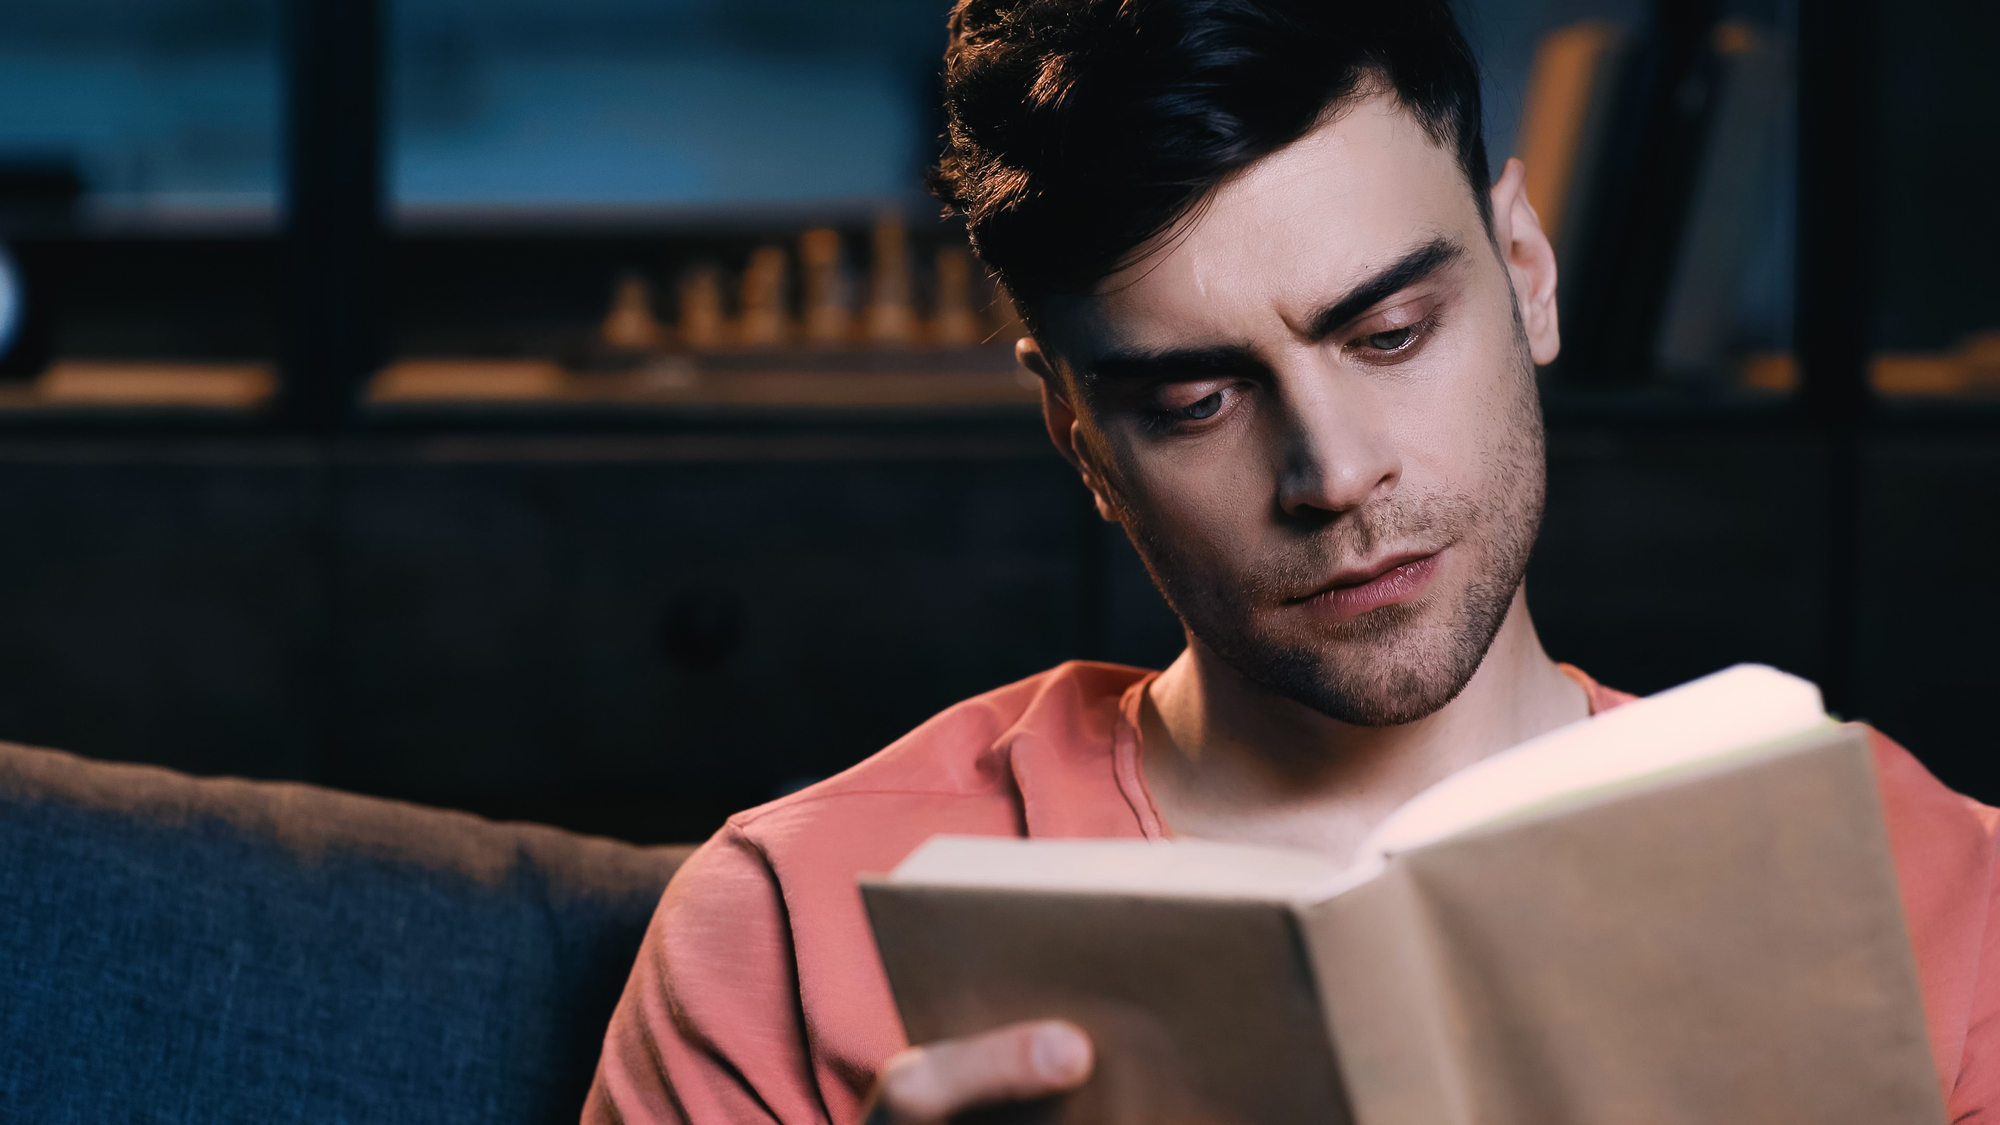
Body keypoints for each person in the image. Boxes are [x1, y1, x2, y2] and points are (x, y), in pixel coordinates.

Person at [585, 1, 2000, 1120]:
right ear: (1075, 435)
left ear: (1528, 269)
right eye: (1194, 401)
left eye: (1389, 334)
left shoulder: (1936, 886)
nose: (1333, 473)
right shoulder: (788, 930)